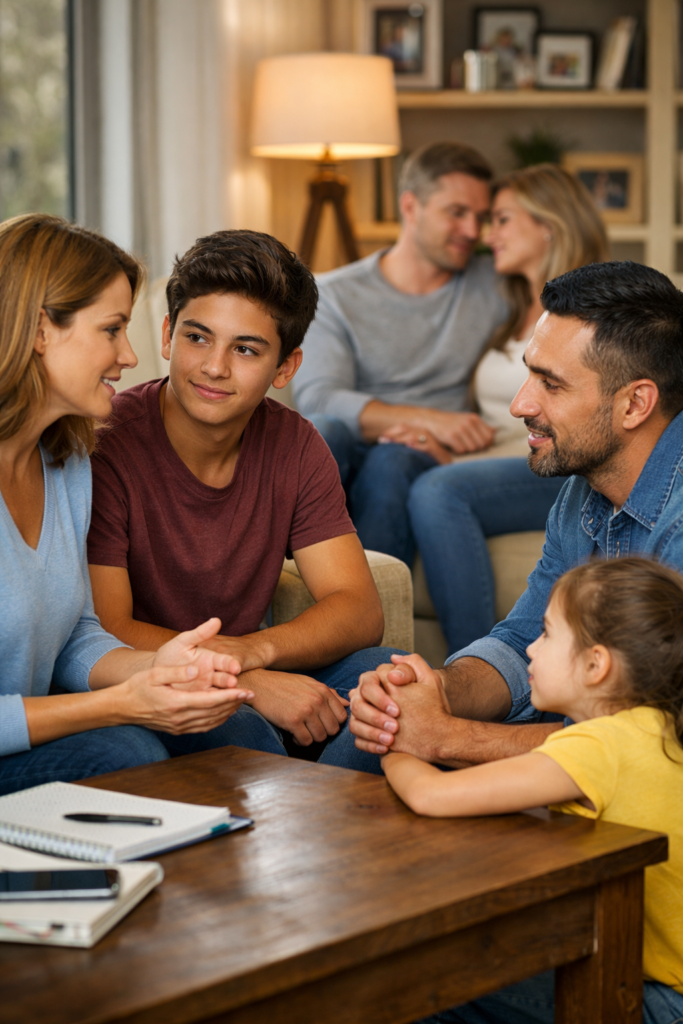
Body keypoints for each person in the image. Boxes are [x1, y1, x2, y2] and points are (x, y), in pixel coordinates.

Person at [87, 229, 402, 775]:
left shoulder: (296, 445)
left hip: (240, 661)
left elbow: (358, 608)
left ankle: (332, 825)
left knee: (390, 682)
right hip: (146, 680)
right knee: (236, 723)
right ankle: (307, 811)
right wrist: (247, 681)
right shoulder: (107, 443)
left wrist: (254, 654)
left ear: (286, 368)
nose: (214, 367)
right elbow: (107, 625)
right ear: (167, 335)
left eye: (246, 349)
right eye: (198, 338)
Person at [348, 260, 683, 768]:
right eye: (529, 372)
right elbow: (523, 637)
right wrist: (435, 690)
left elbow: (655, 740)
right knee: (375, 712)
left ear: (635, 404)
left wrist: (448, 737)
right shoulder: (583, 492)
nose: (520, 404)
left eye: (551, 384)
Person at [0, 214, 275, 798]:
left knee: (239, 728)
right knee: (128, 750)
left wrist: (166, 668)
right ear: (40, 329)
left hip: (31, 736)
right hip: (24, 739)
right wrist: (119, 704)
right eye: (112, 329)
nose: (130, 356)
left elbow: (76, 635)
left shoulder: (67, 459)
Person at [384, 557, 683, 1024]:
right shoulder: (658, 728)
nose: (531, 650)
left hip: (659, 1001)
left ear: (595, 664)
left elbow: (431, 797)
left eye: (545, 634)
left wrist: (396, 735)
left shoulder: (602, 746)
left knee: (423, 981)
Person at [398, 164, 608, 651]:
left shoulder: (592, 314)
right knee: (395, 464)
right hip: (495, 456)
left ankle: (472, 664)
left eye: (502, 220)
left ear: (548, 226)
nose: (486, 235)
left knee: (438, 491)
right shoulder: (509, 306)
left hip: (557, 460)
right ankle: (373, 650)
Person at [293, 141, 509, 569]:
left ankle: (367, 628)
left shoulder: (496, 284)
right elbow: (319, 398)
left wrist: (429, 432)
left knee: (392, 462)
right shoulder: (335, 293)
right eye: (456, 212)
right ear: (411, 207)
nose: (473, 231)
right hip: (349, 448)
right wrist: (426, 418)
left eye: (482, 218)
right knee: (322, 430)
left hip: (424, 458)